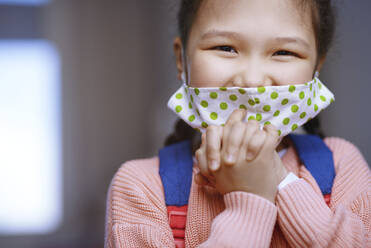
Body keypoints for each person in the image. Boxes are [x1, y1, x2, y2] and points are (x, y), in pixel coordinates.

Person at [104, 0, 370, 247]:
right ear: (180, 59)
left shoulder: (342, 167)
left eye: (283, 52)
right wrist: (248, 206)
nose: (252, 80)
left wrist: (278, 179)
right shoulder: (140, 187)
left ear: (316, 68)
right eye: (225, 48)